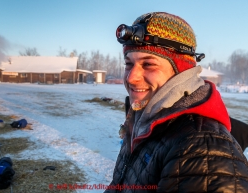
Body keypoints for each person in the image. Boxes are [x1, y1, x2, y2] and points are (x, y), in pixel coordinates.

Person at [105, 12, 248, 192]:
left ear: (181, 71)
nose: (132, 77)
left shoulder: (202, 149)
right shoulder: (144, 119)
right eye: (128, 64)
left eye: (148, 64)